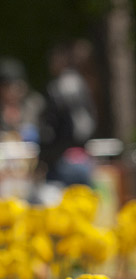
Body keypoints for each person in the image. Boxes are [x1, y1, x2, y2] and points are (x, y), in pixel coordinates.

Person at [39, 41, 97, 186]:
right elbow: (90, 119)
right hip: (83, 157)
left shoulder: (56, 87)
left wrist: (45, 156)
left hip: (61, 159)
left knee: (60, 206)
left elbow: (49, 127)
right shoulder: (81, 84)